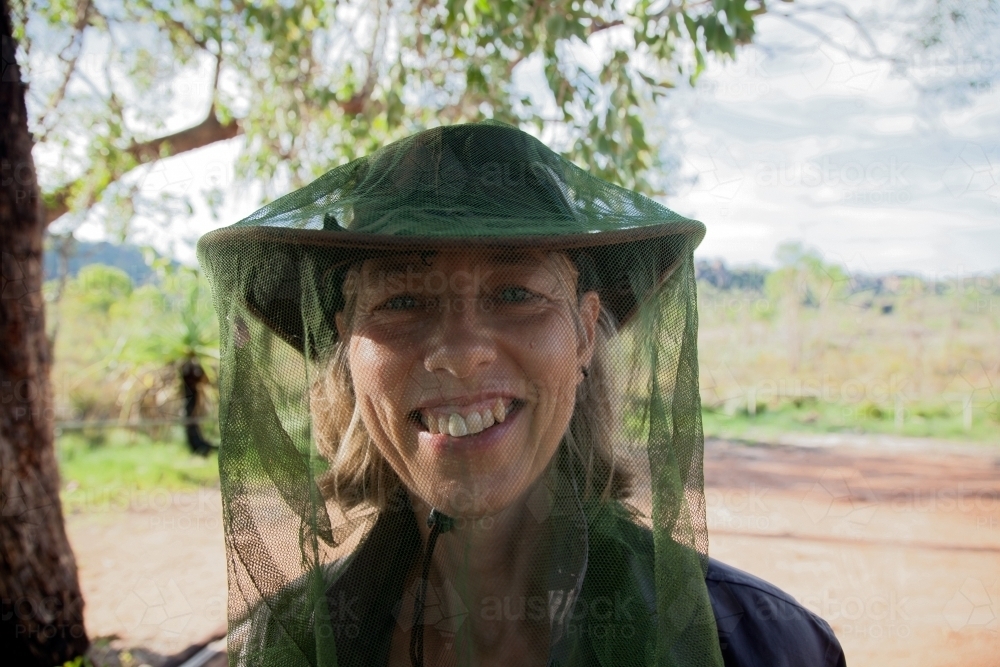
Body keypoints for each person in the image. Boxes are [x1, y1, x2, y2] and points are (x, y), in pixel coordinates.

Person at [198, 121, 846, 667]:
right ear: (346, 344)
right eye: (401, 300)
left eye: (515, 294)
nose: (459, 350)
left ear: (585, 334)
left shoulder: (762, 644)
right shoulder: (286, 644)